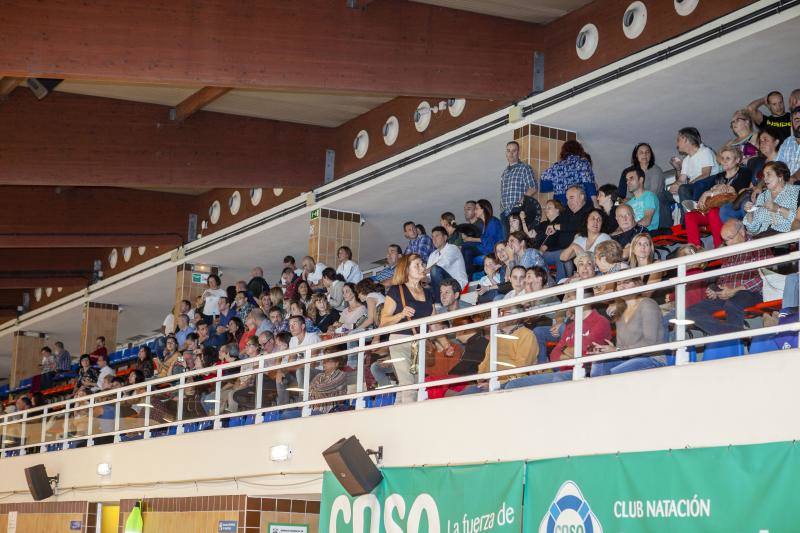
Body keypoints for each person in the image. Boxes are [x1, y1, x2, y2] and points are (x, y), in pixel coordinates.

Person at [686, 219, 771, 335]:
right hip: (728, 296)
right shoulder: (730, 252)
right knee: (691, 311)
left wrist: (735, 290)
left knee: (732, 305)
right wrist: (717, 290)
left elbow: (765, 278)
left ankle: (731, 339)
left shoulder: (758, 246)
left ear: (742, 231)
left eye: (730, 238)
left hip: (751, 293)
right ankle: (730, 335)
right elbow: (723, 278)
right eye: (726, 241)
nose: (728, 244)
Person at [379, 254, 435, 403]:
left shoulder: (428, 293)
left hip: (419, 343)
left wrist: (445, 343)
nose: (422, 267)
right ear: (406, 270)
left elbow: (435, 323)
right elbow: (383, 321)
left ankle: (397, 415)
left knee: (413, 384)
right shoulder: (396, 291)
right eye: (417, 265)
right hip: (400, 340)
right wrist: (400, 314)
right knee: (408, 384)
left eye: (422, 264)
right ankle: (409, 419)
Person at [589, 273, 667, 376]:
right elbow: (621, 348)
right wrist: (609, 350)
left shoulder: (647, 304)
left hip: (652, 359)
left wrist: (617, 350)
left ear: (637, 284)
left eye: (626, 282)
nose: (621, 286)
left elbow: (650, 343)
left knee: (617, 371)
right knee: (599, 363)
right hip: (628, 359)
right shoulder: (620, 312)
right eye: (619, 283)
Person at [685, 146, 754, 247]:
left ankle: (719, 248)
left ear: (737, 160)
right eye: (723, 158)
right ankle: (695, 249)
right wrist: (705, 195)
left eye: (728, 158)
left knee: (714, 211)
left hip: (730, 209)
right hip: (712, 208)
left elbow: (735, 193)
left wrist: (710, 193)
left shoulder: (744, 172)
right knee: (689, 216)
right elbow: (708, 194)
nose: (724, 161)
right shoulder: (719, 177)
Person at [543, 186, 593, 280]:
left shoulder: (590, 211)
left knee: (561, 256)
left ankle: (560, 287)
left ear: (582, 197)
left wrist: (557, 227)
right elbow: (555, 227)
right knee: (536, 255)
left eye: (571, 198)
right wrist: (545, 245)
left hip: (572, 253)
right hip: (556, 250)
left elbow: (580, 226)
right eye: (567, 199)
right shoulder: (567, 212)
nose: (569, 202)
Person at [743, 161, 799, 235]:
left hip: (783, 237)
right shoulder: (762, 196)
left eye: (768, 174)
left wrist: (779, 208)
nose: (765, 179)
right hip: (763, 238)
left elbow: (797, 220)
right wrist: (750, 213)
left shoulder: (795, 191)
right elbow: (753, 230)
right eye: (764, 176)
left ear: (780, 176)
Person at [619, 144, 668, 227]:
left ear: (651, 155)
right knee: (617, 206)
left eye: (647, 152)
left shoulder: (656, 170)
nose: (644, 155)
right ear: (636, 156)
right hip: (634, 201)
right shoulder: (630, 172)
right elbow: (626, 195)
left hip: (652, 203)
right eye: (641, 152)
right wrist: (621, 202)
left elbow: (654, 192)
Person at [669, 127, 720, 203]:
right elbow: (681, 179)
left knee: (683, 188)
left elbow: (706, 174)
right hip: (694, 186)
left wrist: (687, 184)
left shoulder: (705, 151)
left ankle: (689, 213)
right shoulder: (686, 160)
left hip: (709, 184)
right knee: (663, 196)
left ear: (685, 139)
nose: (677, 144)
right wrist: (674, 186)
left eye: (678, 140)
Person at [540, 140, 598, 206]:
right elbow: (588, 184)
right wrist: (595, 203)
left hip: (561, 204)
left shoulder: (555, 166)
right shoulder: (582, 163)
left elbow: (544, 187)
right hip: (579, 203)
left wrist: (560, 183)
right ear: (579, 150)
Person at [499, 140, 537, 232]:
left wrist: (521, 202)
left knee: (518, 238)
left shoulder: (524, 168)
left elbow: (533, 188)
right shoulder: (505, 172)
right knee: (507, 242)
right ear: (506, 153)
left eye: (514, 151)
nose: (511, 153)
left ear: (519, 152)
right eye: (508, 151)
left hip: (518, 211)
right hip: (505, 213)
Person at [461, 199, 504, 277]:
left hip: (493, 250)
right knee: (466, 248)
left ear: (483, 209)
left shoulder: (492, 221)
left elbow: (490, 241)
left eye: (477, 209)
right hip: (486, 248)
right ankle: (468, 276)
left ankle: (468, 277)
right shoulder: (484, 224)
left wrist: (471, 239)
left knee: (466, 247)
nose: (475, 211)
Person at [426, 226, 468, 304]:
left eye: (437, 236)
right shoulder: (432, 255)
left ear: (445, 237)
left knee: (435, 269)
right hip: (442, 286)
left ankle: (440, 302)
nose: (434, 239)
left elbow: (442, 265)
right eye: (432, 237)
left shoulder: (453, 248)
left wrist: (423, 272)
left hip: (457, 285)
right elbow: (428, 276)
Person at [776, 106, 800, 180]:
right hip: (786, 185)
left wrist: (794, 177)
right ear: (791, 122)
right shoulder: (787, 142)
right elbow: (778, 166)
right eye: (797, 120)